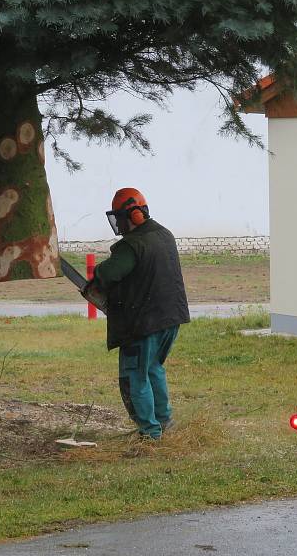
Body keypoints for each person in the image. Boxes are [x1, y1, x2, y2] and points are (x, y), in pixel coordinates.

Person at [86, 188, 190, 439]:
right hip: (170, 319)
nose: (118, 224)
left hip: (144, 323)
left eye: (120, 218)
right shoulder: (164, 234)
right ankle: (164, 423)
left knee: (135, 376)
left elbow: (109, 273)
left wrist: (97, 275)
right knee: (153, 368)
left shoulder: (132, 245)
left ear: (133, 215)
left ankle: (149, 433)